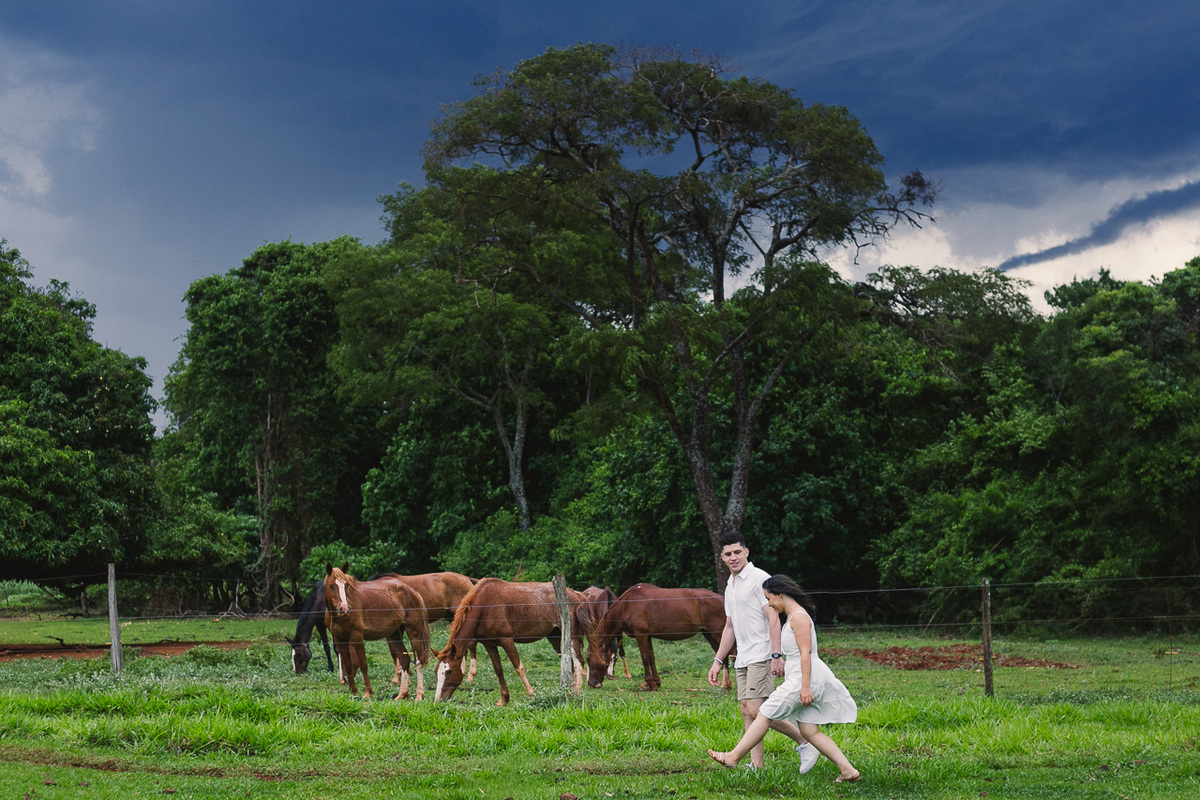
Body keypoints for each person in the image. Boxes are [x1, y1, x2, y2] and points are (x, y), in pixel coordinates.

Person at [707, 573, 860, 783]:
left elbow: (806, 654)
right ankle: (848, 770)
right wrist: (787, 666)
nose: (769, 604)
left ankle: (733, 757)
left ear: (780, 595)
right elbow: (799, 655)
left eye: (769, 599)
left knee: (764, 713)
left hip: (805, 679)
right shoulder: (793, 616)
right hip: (801, 675)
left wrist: (805, 687)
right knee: (809, 731)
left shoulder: (798, 617)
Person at [707, 532, 817, 771]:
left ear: (746, 552)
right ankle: (755, 765)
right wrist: (718, 659)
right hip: (743, 657)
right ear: (722, 557)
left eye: (737, 552)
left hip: (762, 654)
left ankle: (806, 742)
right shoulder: (730, 585)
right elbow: (730, 626)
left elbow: (773, 618)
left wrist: (776, 655)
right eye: (728, 554)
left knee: (758, 709)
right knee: (746, 709)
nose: (733, 557)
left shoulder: (760, 579)